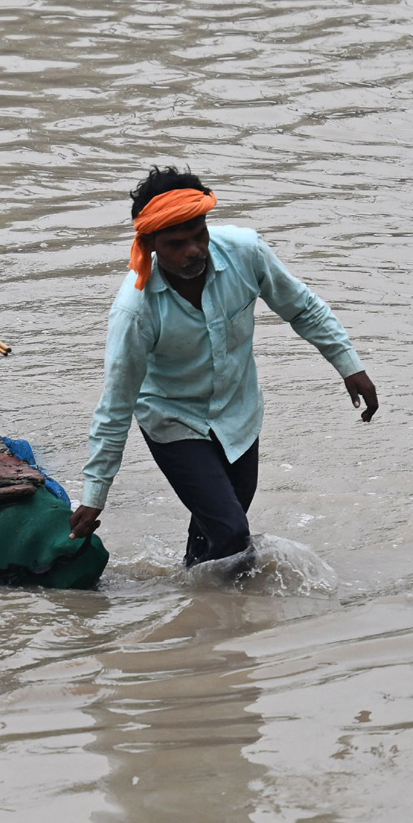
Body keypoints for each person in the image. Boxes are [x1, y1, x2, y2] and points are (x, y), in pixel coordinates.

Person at [69, 165, 379, 569]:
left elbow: (302, 308)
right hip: (172, 418)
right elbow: (115, 404)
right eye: (177, 243)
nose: (194, 251)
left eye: (200, 236)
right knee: (233, 534)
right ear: (150, 245)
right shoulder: (135, 311)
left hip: (239, 411)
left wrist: (349, 365)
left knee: (216, 531)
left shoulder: (246, 252)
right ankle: (242, 620)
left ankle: (198, 602)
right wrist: (95, 495)